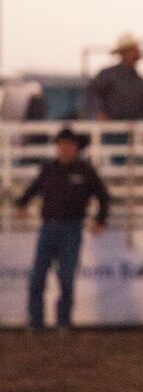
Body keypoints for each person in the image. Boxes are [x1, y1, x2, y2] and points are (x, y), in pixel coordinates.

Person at [15, 127, 109, 331]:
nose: (64, 149)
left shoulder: (85, 170)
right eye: (61, 145)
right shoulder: (49, 169)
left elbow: (103, 196)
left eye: (68, 145)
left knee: (66, 277)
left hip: (71, 228)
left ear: (76, 148)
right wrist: (22, 204)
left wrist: (100, 219)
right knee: (38, 276)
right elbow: (33, 189)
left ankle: (63, 322)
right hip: (49, 226)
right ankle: (36, 322)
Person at [85, 34, 143, 121]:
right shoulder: (108, 74)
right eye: (134, 49)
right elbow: (92, 92)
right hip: (110, 129)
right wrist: (100, 112)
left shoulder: (138, 80)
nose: (138, 52)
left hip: (132, 129)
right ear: (125, 52)